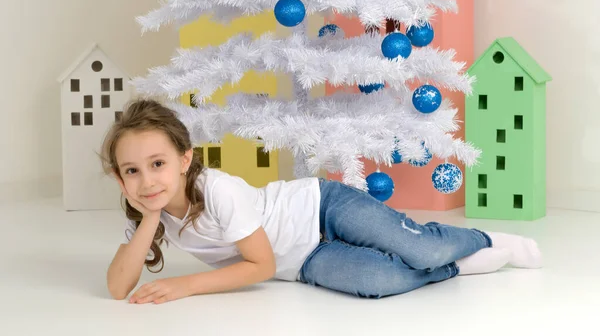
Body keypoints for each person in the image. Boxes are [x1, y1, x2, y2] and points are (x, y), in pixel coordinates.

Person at [101, 99, 542, 304]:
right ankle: (453, 268)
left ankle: (478, 239)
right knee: (377, 282)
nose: (147, 181)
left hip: (320, 206)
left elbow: (261, 266)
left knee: (421, 247)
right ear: (121, 179)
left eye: (157, 163)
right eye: (132, 171)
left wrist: (184, 286)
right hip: (305, 260)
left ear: (184, 159)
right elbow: (118, 287)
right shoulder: (149, 211)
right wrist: (150, 219)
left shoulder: (217, 190)